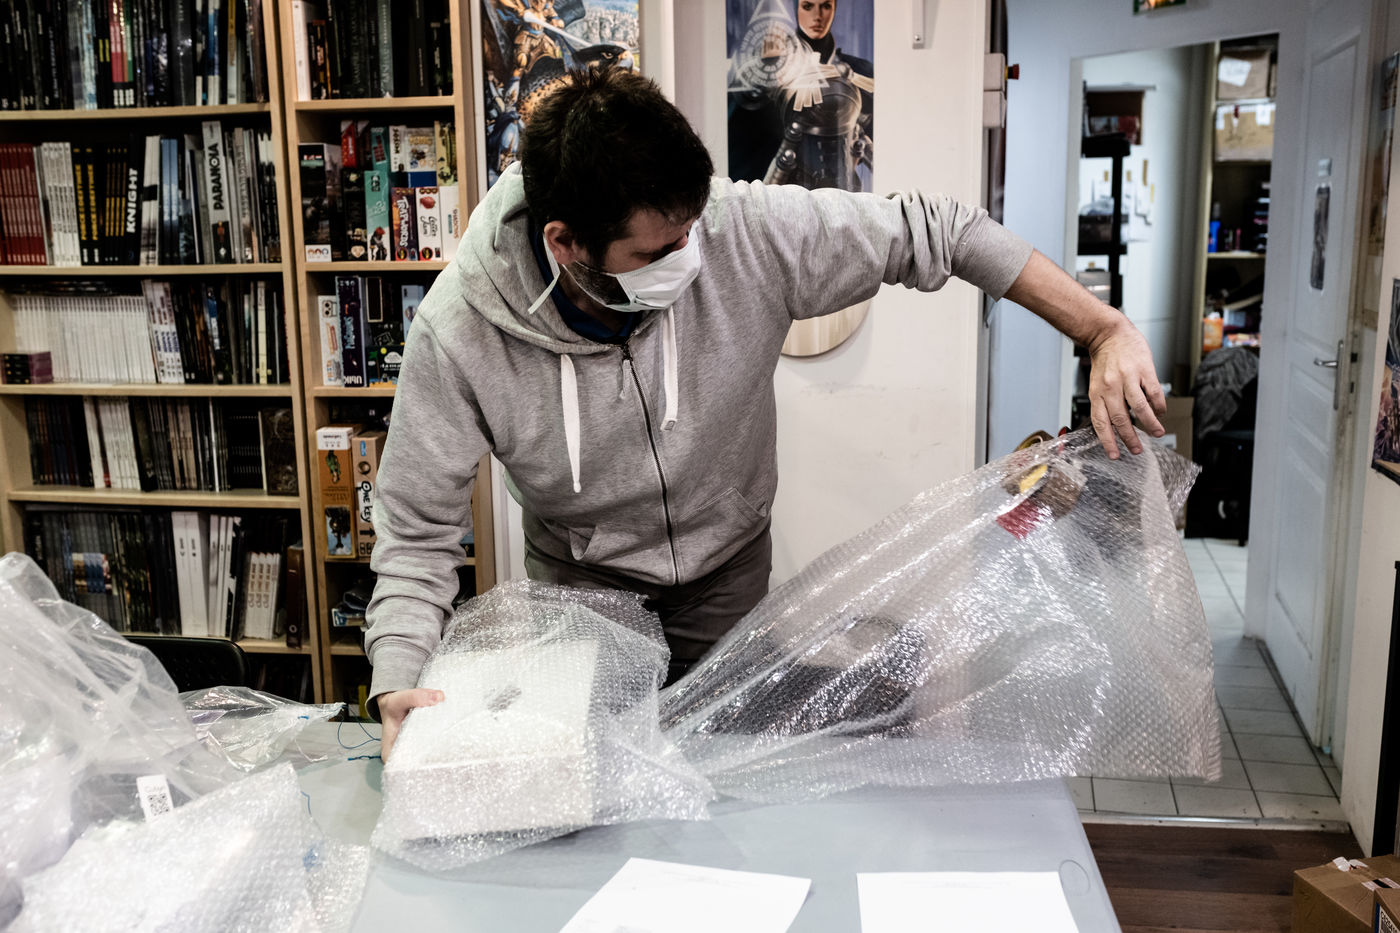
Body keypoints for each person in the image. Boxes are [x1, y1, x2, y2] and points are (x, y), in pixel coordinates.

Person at [365, 68, 1165, 758]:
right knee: (596, 790)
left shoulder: (738, 231)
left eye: (689, 231)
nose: (687, 259)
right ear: (566, 243)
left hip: (727, 570)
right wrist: (397, 676)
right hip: (584, 596)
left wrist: (1102, 330)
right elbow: (416, 531)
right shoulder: (460, 332)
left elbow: (943, 230)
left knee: (732, 768)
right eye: (656, 252)